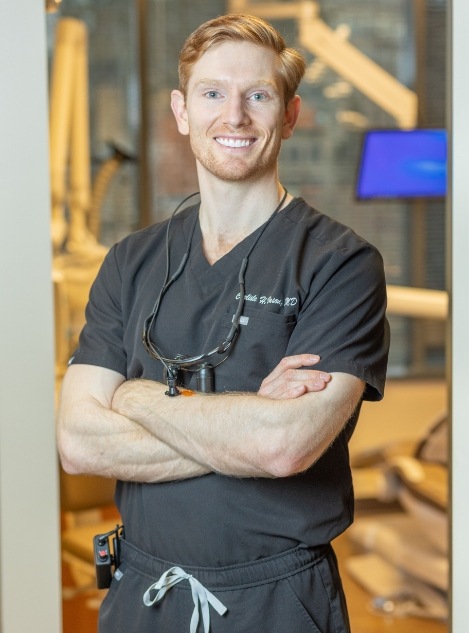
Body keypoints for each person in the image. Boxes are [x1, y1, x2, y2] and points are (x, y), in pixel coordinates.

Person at [57, 13, 389, 633]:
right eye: (213, 93)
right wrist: (246, 426)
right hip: (141, 595)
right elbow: (78, 442)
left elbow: (283, 446)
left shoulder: (340, 265)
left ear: (288, 115)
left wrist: (133, 397)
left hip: (279, 601)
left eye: (257, 95)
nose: (233, 116)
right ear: (183, 112)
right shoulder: (131, 262)